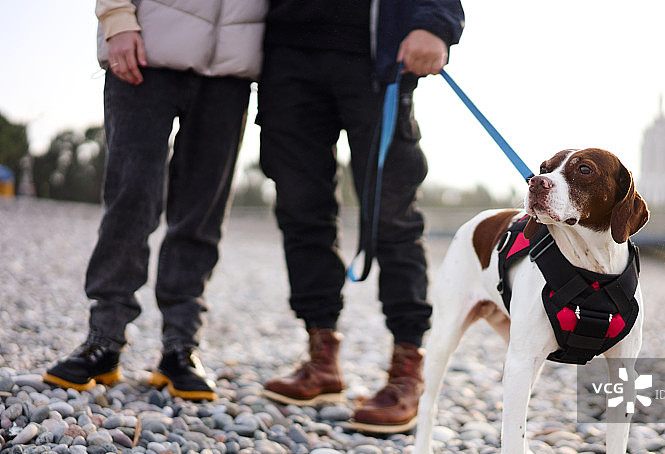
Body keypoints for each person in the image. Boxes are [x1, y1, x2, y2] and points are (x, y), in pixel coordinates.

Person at [43, 0, 268, 401]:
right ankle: (104, 339)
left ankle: (181, 348)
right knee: (130, 202)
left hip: (231, 68)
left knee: (202, 214)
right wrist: (116, 20)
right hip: (147, 47)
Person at [257, 0, 465, 432]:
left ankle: (407, 367)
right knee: (300, 212)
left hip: (377, 58)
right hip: (284, 57)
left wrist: (437, 24)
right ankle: (321, 356)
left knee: (391, 217)